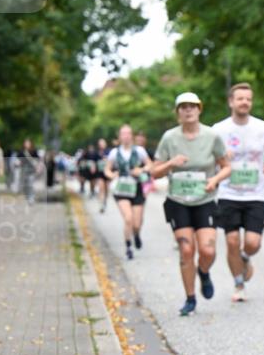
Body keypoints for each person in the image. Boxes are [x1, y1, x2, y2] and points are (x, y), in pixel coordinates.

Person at [151, 92, 231, 316]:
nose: (188, 110)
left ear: (199, 109)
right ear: (177, 112)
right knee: (186, 250)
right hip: (178, 201)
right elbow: (154, 172)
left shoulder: (212, 136)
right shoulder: (169, 138)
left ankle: (203, 272)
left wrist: (214, 180)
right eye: (183, 107)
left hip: (204, 200)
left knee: (207, 250)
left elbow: (226, 166)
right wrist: (171, 163)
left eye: (192, 106)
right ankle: (190, 298)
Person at [212, 83, 264, 302]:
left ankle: (244, 257)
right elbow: (208, 158)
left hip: (255, 194)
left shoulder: (262, 128)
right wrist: (221, 158)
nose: (244, 102)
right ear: (231, 102)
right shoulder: (218, 130)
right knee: (232, 240)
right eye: (240, 98)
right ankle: (239, 284)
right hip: (228, 193)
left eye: (248, 99)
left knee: (252, 243)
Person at [105, 124, 153, 260]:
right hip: (121, 188)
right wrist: (112, 175)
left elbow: (150, 164)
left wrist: (141, 170)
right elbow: (107, 169)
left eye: (128, 133)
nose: (126, 136)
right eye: (123, 133)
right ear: (119, 136)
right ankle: (128, 246)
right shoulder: (114, 153)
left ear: (132, 136)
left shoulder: (139, 151)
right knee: (128, 218)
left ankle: (136, 234)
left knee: (137, 223)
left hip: (136, 188)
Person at [18, 139, 41, 204]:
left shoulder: (33, 151)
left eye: (28, 143)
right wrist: (18, 163)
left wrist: (38, 167)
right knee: (25, 185)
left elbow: (38, 159)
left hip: (31, 170)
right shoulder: (21, 152)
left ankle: (31, 198)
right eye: (25, 143)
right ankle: (28, 196)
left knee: (30, 184)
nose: (27, 145)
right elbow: (18, 159)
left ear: (30, 144)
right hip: (24, 170)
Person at [96, 137, 111, 212]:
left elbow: (112, 160)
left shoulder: (109, 151)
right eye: (100, 143)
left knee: (107, 189)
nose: (102, 144)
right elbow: (94, 161)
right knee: (101, 188)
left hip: (107, 173)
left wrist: (106, 159)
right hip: (100, 173)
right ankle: (101, 204)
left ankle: (105, 201)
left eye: (103, 143)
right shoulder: (97, 152)